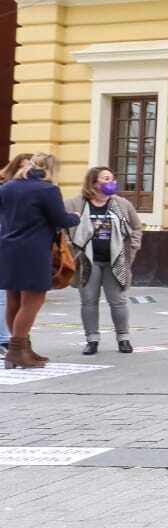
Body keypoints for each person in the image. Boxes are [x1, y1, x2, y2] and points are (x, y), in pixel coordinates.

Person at [0, 153, 78, 368]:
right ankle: (16, 351)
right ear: (49, 169)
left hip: (7, 249)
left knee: (14, 298)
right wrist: (76, 217)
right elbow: (60, 219)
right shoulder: (47, 189)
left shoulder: (7, 187)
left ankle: (23, 349)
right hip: (33, 251)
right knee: (33, 301)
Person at [65, 166, 143, 355]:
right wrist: (69, 247)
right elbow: (62, 228)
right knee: (88, 301)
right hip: (86, 260)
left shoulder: (122, 204)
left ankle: (123, 338)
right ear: (93, 182)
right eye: (106, 179)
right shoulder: (74, 204)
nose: (111, 182)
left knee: (117, 300)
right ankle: (92, 340)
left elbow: (136, 227)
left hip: (115, 259)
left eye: (112, 178)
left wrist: (133, 246)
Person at [0, 152, 32, 352]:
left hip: (16, 248)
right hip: (6, 243)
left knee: (13, 297)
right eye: (25, 166)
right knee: (4, 296)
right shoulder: (6, 189)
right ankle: (6, 338)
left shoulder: (31, 191)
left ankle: (13, 339)